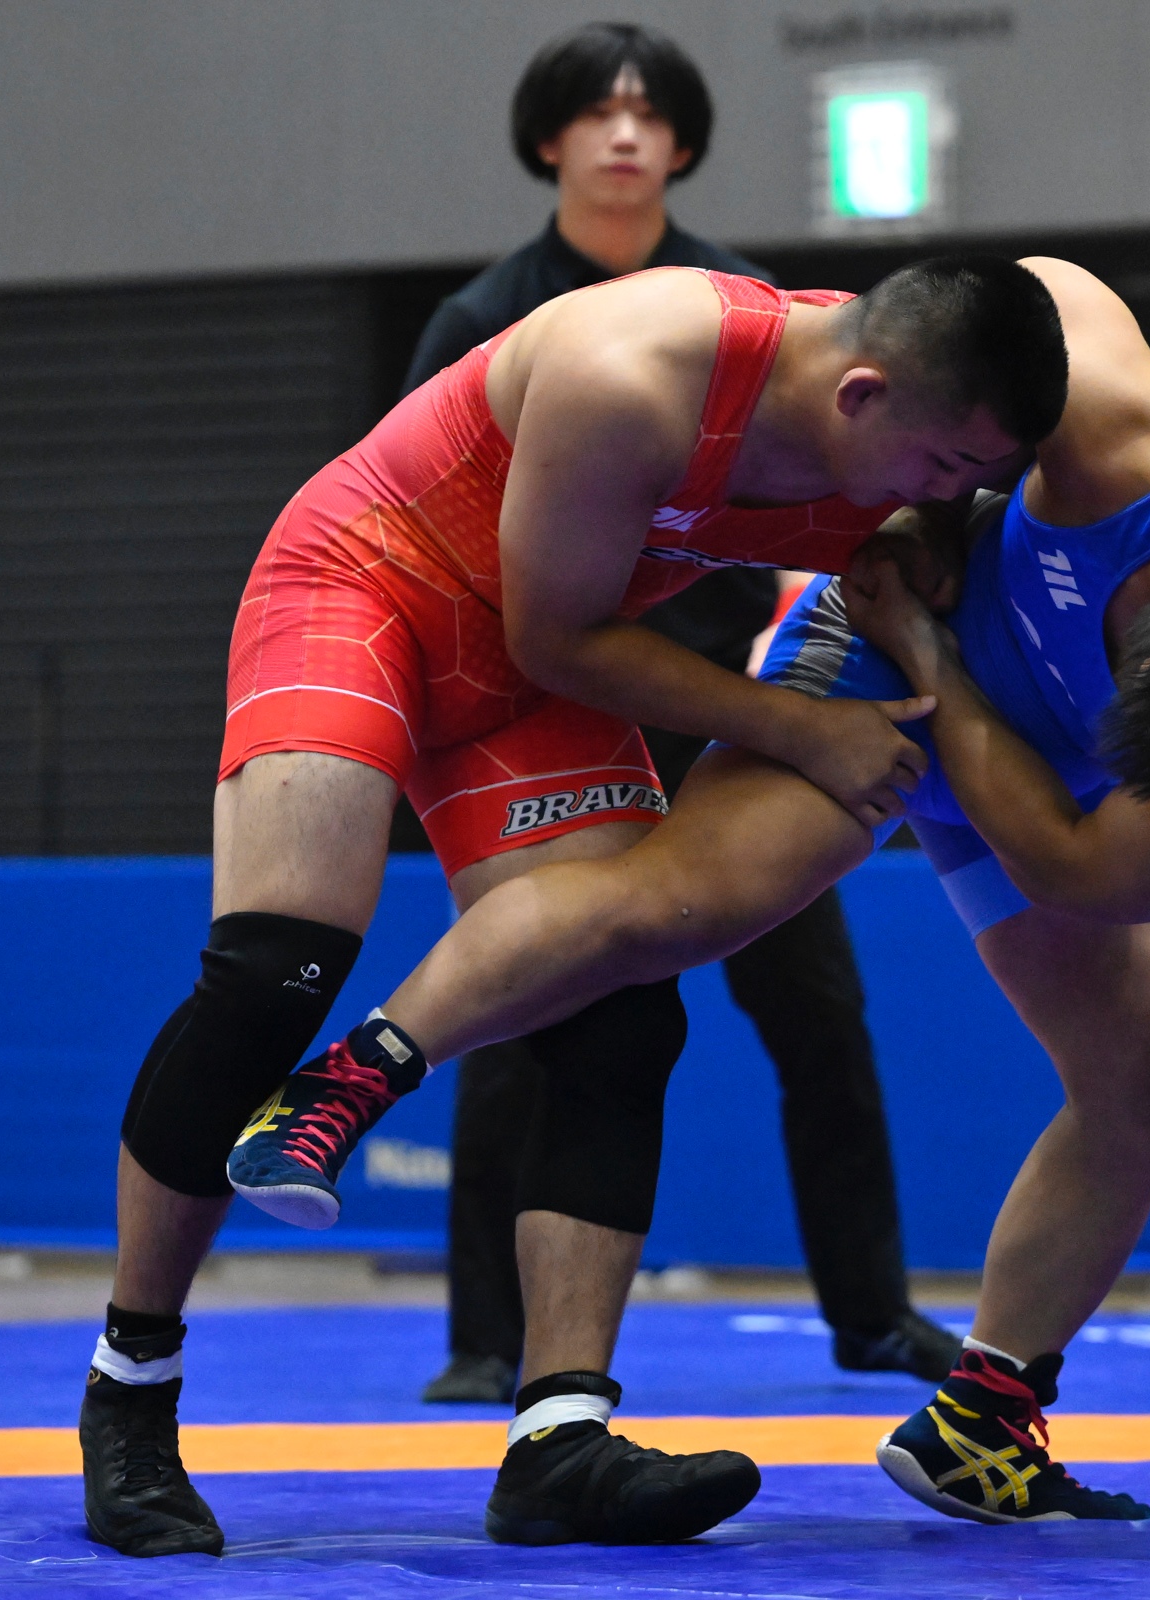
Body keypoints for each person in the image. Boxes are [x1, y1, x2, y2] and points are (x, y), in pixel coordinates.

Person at [231, 257, 1150, 1537]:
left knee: (1141, 1082)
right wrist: (919, 526)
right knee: (668, 908)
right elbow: (986, 322)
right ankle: (348, 1077)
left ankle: (985, 1417)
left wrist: (933, 652)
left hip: (974, 710)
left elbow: (1069, 868)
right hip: (881, 655)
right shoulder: (1125, 417)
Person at [77, 251, 1066, 1559]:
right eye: (940, 466)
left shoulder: (910, 424)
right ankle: (131, 1391)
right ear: (860, 396)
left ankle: (558, 1440)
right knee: (273, 974)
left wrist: (929, 548)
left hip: (538, 669)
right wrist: (794, 726)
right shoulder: (636, 368)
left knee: (618, 1008)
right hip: (367, 589)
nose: (945, 494)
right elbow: (553, 636)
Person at [402, 20, 955, 1407]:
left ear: (683, 142)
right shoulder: (480, 320)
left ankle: (872, 1313)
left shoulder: (749, 305)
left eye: (649, 112)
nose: (624, 133)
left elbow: (818, 493)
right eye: (596, 110)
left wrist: (790, 662)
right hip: (550, 710)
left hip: (730, 717)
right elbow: (432, 533)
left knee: (819, 1012)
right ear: (549, 139)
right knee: (522, 1008)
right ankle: (485, 1336)